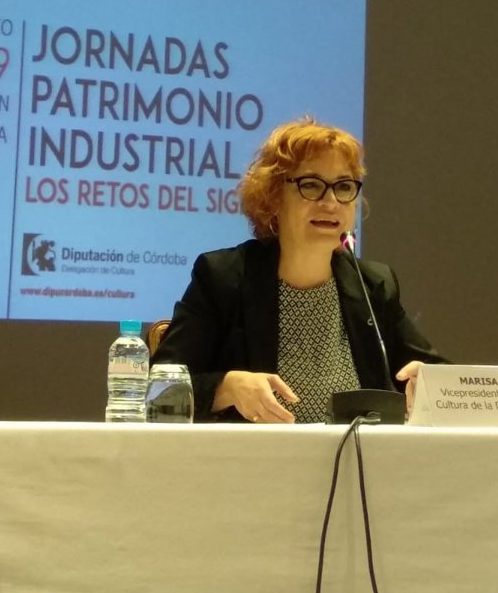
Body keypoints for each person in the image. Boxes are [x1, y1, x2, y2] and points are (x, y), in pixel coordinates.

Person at [152, 118, 443, 423]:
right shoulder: (223, 278)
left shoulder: (374, 285)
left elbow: (443, 380)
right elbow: (159, 391)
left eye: (344, 187)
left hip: (358, 455)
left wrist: (428, 383)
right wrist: (226, 387)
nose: (331, 202)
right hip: (253, 454)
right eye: (312, 185)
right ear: (273, 197)